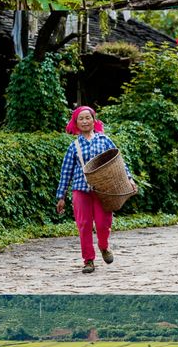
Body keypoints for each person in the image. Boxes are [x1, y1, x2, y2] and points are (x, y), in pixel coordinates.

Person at [56, 106, 136, 273]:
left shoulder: (105, 140)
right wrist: (61, 196)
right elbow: (66, 171)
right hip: (80, 189)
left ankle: (104, 246)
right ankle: (88, 260)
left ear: (94, 120)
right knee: (84, 225)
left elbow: (119, 163)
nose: (85, 121)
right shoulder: (74, 146)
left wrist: (129, 178)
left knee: (102, 223)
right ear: (76, 123)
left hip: (103, 190)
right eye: (81, 119)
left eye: (88, 118)